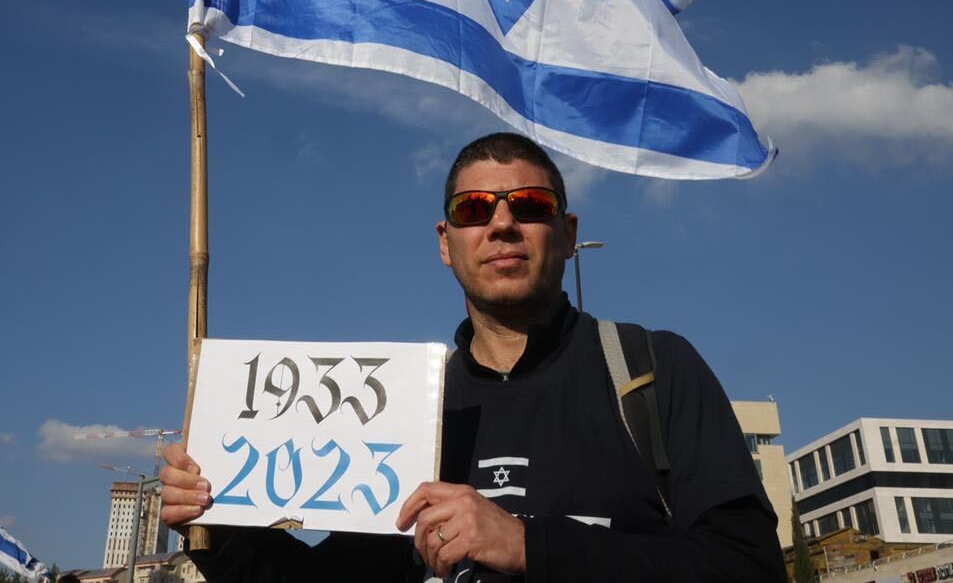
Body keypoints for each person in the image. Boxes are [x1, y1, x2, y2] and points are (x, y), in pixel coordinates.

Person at [161, 131, 785, 582]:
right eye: (474, 209)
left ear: (567, 235)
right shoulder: (403, 410)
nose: (503, 223)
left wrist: (526, 544)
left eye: (531, 206)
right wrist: (217, 531)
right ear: (446, 243)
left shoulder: (652, 369)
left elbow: (748, 566)